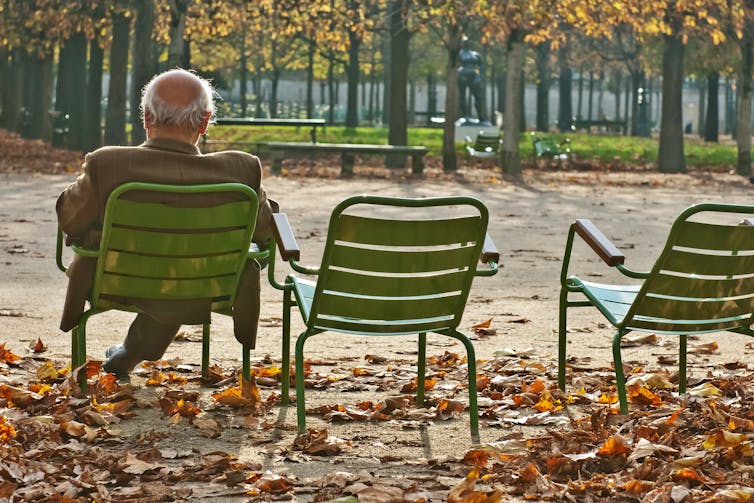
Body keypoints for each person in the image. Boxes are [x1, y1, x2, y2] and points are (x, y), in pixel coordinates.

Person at [56, 68, 277, 378]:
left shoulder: (107, 165)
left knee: (167, 265)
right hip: (210, 284)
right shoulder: (241, 171)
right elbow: (267, 234)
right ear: (204, 121)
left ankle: (130, 352)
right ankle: (132, 351)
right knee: (185, 265)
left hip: (117, 282)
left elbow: (70, 221)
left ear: (146, 117)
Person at [458, 36, 487, 123]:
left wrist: (480, 75)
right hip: (463, 76)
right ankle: (465, 115)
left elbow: (482, 65)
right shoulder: (460, 53)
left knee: (478, 97)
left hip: (474, 77)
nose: (467, 43)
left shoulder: (475, 54)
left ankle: (480, 116)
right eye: (465, 42)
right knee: (462, 97)